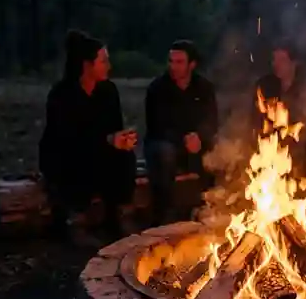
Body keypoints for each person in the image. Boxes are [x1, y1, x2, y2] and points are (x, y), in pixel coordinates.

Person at [38, 30, 138, 240]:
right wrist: (107, 140)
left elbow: (114, 128)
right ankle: (75, 220)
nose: (108, 66)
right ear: (87, 65)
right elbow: (65, 141)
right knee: (80, 160)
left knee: (126, 157)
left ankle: (117, 215)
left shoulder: (108, 91)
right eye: (103, 61)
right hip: (65, 156)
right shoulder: (62, 95)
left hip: (98, 150)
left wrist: (122, 139)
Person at [143, 40, 218, 224]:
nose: (173, 66)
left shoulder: (204, 87)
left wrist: (200, 136)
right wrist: (183, 139)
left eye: (179, 62)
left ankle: (211, 207)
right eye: (171, 61)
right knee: (164, 153)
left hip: (195, 143)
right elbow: (156, 125)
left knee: (221, 153)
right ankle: (163, 215)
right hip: (164, 142)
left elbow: (212, 120)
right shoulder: (157, 88)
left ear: (191, 65)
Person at [254, 42, 306, 165]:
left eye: (282, 60)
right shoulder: (265, 87)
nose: (276, 64)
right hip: (269, 156)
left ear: (294, 63)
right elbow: (256, 122)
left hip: (299, 159)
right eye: (275, 60)